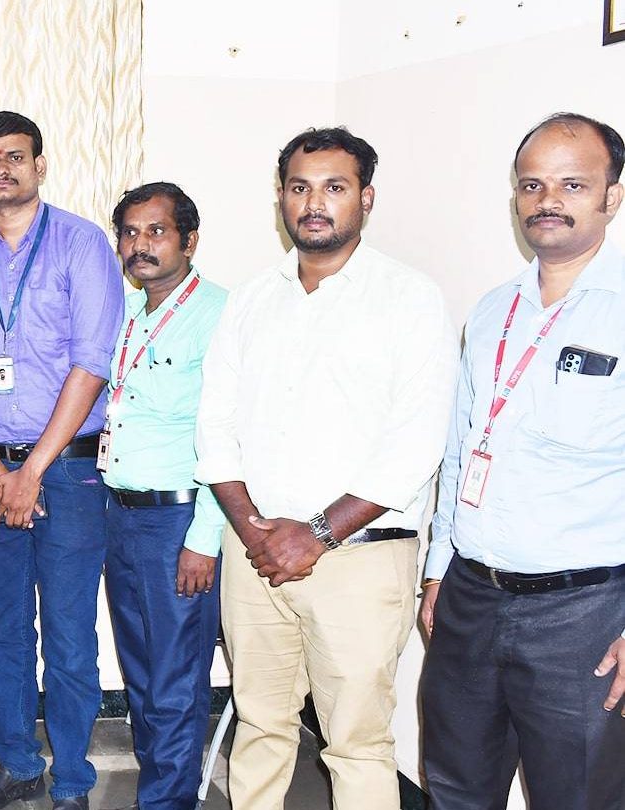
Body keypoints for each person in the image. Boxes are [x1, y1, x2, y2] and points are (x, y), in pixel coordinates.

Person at [193, 127, 457, 810]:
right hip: (255, 554)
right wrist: (252, 529)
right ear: (281, 198)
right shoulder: (253, 298)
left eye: (334, 187)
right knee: (259, 726)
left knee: (356, 744)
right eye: (299, 187)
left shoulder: (410, 298)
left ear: (365, 198)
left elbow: (416, 442)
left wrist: (314, 533)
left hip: (360, 560)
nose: (314, 203)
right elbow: (215, 424)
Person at [420, 113, 625, 809]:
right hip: (471, 598)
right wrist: (439, 569)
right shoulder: (491, 312)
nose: (548, 200)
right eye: (532, 184)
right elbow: (461, 448)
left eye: (573, 184)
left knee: (578, 797)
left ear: (612, 196)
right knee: (455, 789)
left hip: (584, 615)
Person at [0, 111, 122, 810]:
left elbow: (92, 363)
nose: (1, 169)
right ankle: (17, 766)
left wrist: (33, 471)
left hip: (68, 473)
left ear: (39, 165)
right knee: (2, 633)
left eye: (15, 156)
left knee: (70, 637)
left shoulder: (82, 244)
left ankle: (72, 779)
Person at [102, 182, 227, 810]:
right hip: (119, 516)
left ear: (189, 240)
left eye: (156, 231)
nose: (140, 245)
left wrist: (205, 538)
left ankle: (168, 803)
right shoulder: (125, 312)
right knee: (142, 673)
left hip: (179, 520)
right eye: (129, 233)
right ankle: (163, 791)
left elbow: (229, 436)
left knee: (176, 677)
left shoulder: (221, 314)